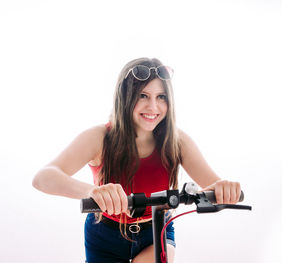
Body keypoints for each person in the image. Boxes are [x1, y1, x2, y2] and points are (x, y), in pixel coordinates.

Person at [32, 57, 241, 263]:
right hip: (105, 234)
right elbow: (43, 178)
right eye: (143, 95)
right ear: (125, 97)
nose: (153, 107)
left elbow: (213, 186)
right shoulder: (99, 137)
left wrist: (225, 188)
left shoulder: (177, 141)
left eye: (161, 97)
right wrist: (91, 192)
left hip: (157, 231)